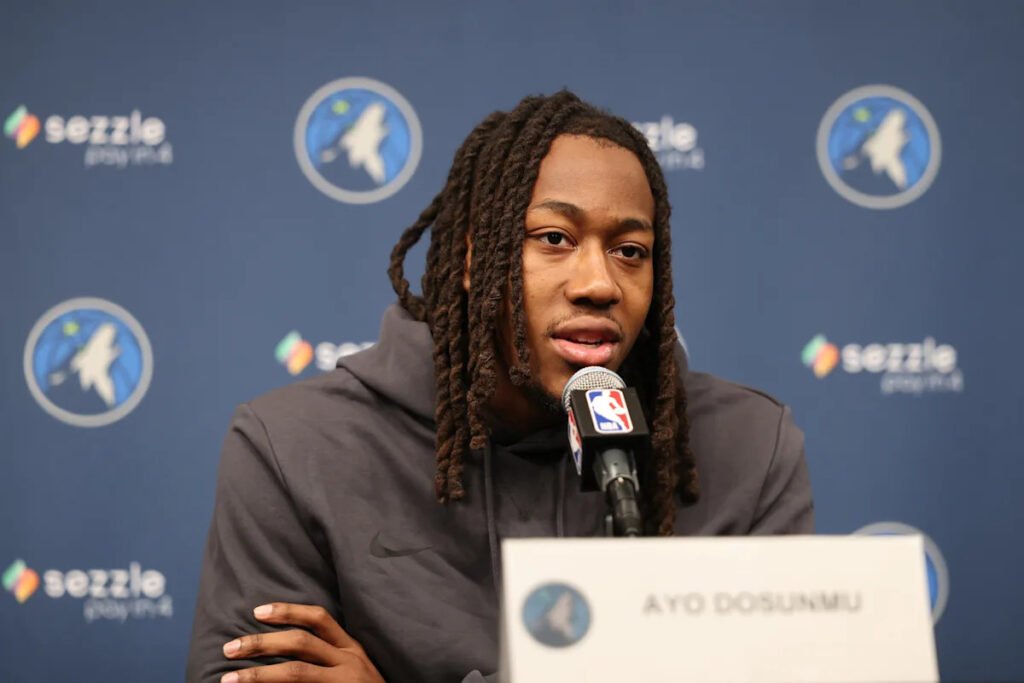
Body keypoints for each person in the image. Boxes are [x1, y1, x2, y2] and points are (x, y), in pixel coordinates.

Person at [185, 90, 814, 683]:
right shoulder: (295, 446)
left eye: (629, 250)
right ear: (470, 258)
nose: (599, 283)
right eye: (554, 239)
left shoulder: (749, 448)